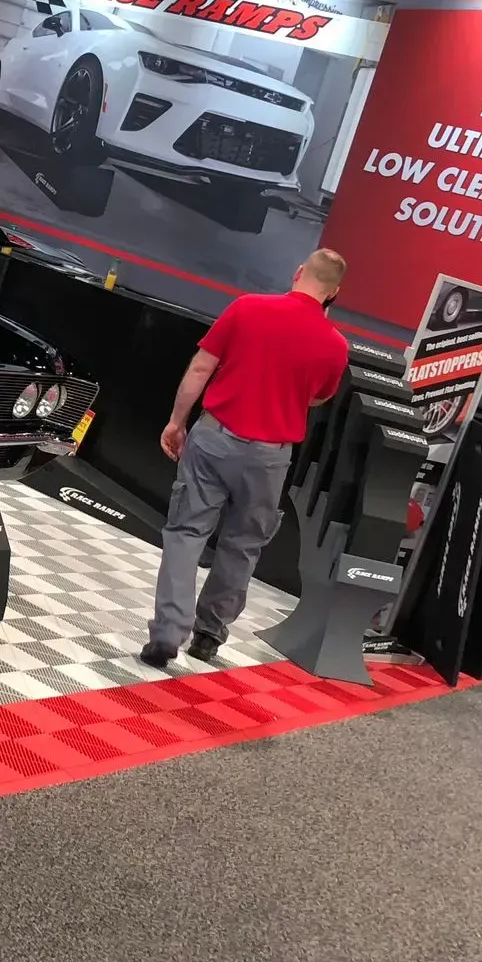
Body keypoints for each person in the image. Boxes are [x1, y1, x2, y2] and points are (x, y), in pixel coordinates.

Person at [141, 248, 350, 668]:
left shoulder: (247, 308)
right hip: (270, 457)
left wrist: (176, 421)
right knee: (242, 545)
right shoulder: (335, 345)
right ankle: (209, 636)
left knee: (186, 532)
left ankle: (168, 633)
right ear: (335, 293)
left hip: (215, 438)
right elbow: (319, 397)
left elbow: (200, 368)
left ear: (298, 272)